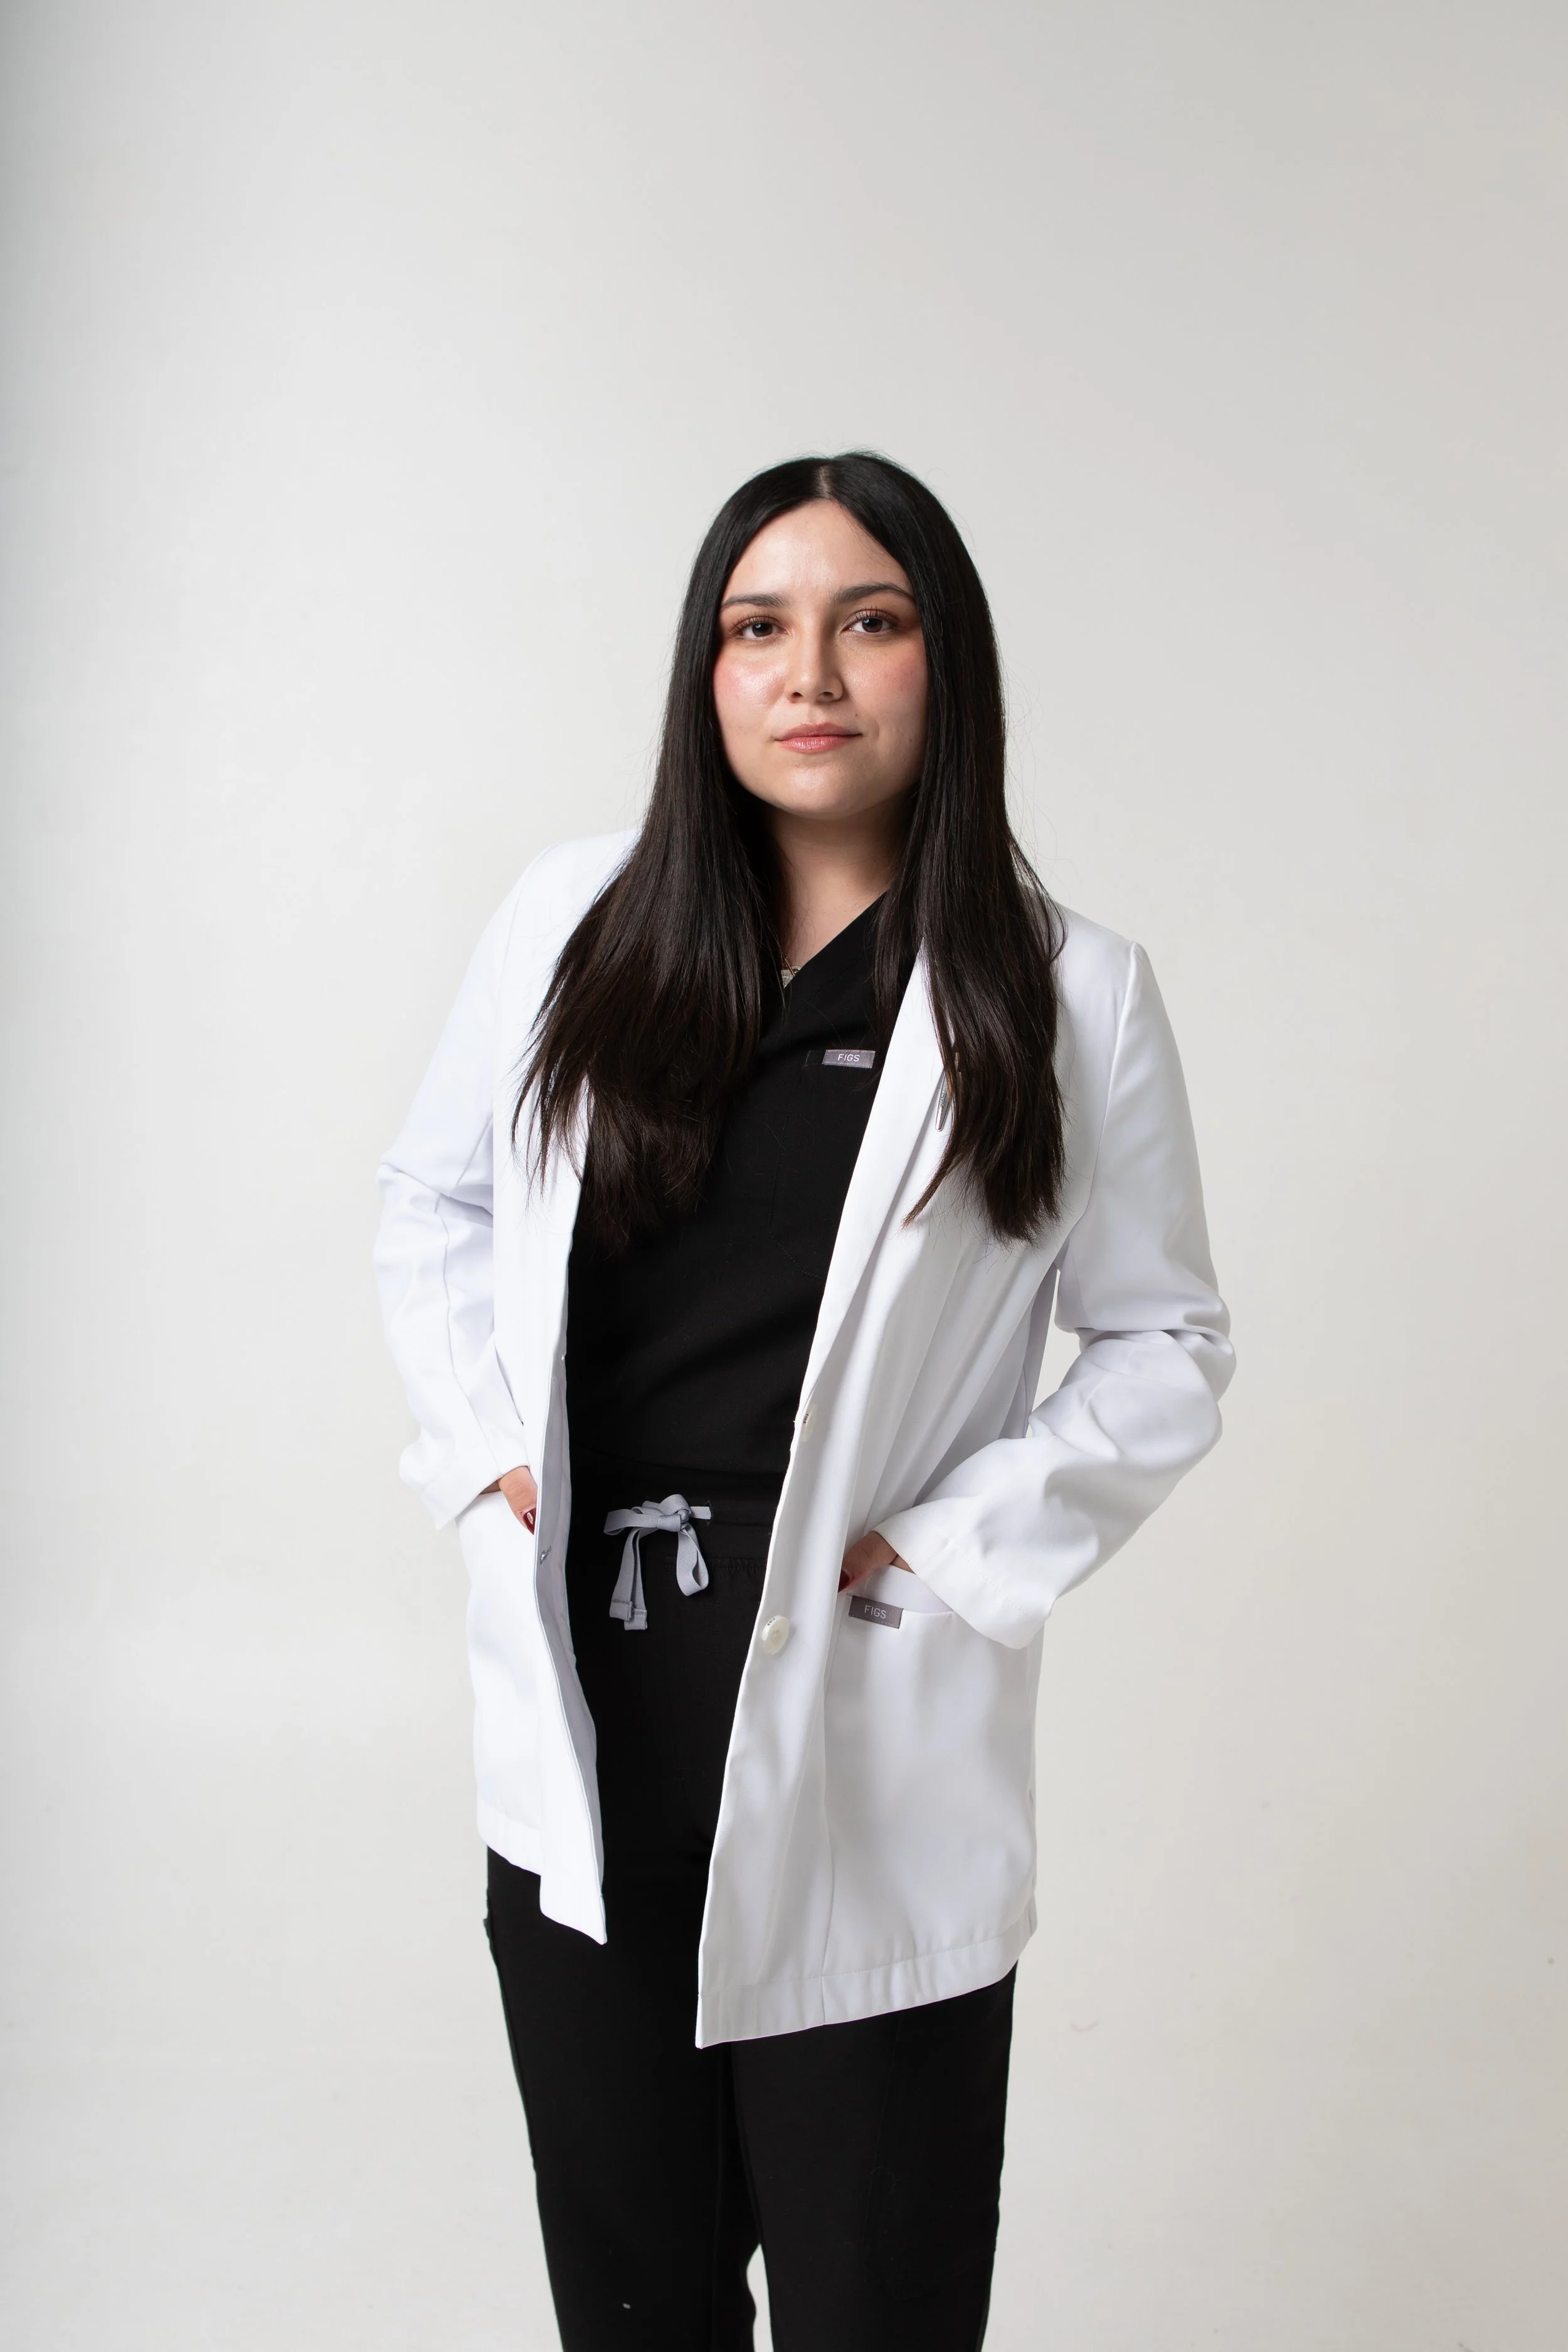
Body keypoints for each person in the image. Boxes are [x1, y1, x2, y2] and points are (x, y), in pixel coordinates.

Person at [375, 451, 1233, 2351]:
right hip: (596, 1708)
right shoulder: (571, 923)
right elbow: (433, 1201)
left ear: (945, 663)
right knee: (637, 2296)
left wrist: (947, 1553)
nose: (809, 674)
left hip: (860, 1715)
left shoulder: (1067, 994)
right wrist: (489, 1448)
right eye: (757, 627)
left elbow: (1165, 1337)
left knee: (876, 2301)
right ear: (705, 673)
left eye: (871, 621)